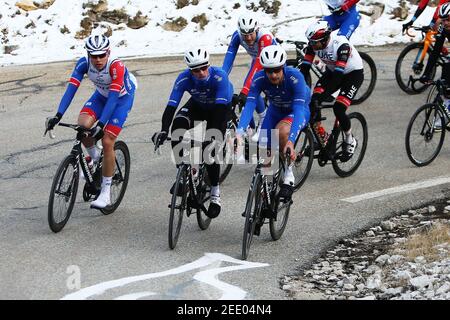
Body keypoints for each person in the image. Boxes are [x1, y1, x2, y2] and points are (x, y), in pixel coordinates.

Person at [45, 34, 137, 209]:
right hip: (101, 97)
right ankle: (95, 159)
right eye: (93, 55)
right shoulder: (83, 64)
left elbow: (113, 98)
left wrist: (102, 124)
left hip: (120, 100)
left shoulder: (116, 66)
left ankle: (106, 192)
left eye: (102, 55)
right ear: (88, 54)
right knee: (83, 127)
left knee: (107, 140)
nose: (98, 59)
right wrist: (58, 115)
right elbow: (71, 90)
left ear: (108, 52)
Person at [152, 48, 234, 219]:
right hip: (198, 105)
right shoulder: (183, 78)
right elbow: (171, 106)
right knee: (177, 128)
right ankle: (183, 172)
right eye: (196, 70)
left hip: (219, 109)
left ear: (209, 65)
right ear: (190, 70)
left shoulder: (219, 77)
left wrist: (213, 139)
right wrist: (163, 130)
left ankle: (215, 193)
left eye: (204, 68)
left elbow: (219, 114)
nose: (201, 73)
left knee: (210, 150)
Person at [236, 45, 311, 201]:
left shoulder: (295, 77)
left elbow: (298, 110)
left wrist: (290, 141)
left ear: (283, 67)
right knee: (265, 150)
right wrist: (239, 132)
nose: (273, 75)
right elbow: (249, 105)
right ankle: (265, 195)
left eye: (277, 70)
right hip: (275, 110)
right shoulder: (258, 78)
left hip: (296, 110)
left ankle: (288, 175)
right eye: (269, 71)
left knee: (281, 131)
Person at [301, 20, 364, 158]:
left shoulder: (341, 46)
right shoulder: (314, 45)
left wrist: (324, 96)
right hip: (333, 71)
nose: (311, 45)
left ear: (324, 40)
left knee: (339, 108)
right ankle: (324, 137)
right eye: (310, 42)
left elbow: (337, 77)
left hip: (353, 74)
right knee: (313, 102)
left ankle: (349, 139)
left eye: (314, 42)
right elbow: (304, 69)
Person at [222, 14, 277, 142]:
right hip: (257, 61)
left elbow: (259, 63)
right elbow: (229, 59)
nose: (248, 38)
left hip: (273, 65)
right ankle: (249, 124)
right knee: (249, 90)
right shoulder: (237, 35)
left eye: (251, 34)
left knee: (251, 88)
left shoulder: (265, 37)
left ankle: (264, 119)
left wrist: (245, 90)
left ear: (257, 30)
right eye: (244, 35)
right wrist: (221, 79)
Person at [421, 2, 450, 128]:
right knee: (446, 70)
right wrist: (426, 74)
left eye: (448, 20)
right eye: (443, 20)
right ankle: (446, 107)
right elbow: (435, 52)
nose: (445, 23)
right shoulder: (442, 28)